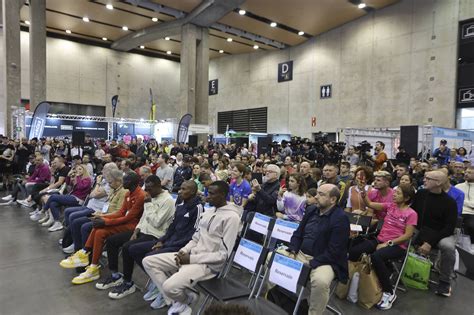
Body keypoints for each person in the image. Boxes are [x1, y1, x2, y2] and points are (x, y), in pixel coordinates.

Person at [142, 181, 241, 314]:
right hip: (191, 256)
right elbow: (195, 238)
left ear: (223, 195)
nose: (207, 197)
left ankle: (183, 299)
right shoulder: (209, 212)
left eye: (212, 194)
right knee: (148, 261)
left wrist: (190, 259)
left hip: (208, 265)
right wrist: (183, 252)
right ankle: (179, 301)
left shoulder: (232, 217)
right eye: (207, 193)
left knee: (169, 287)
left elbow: (223, 255)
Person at [96, 175, 176, 299]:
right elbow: (144, 218)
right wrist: (136, 231)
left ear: (158, 186)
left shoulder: (168, 200)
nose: (147, 192)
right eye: (146, 189)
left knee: (128, 247)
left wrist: (148, 204)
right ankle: (115, 275)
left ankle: (128, 283)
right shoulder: (151, 196)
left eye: (150, 189)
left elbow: (157, 222)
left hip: (155, 235)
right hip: (142, 231)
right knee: (112, 240)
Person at [59, 172, 145, 285]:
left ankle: (87, 256)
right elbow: (121, 212)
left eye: (125, 180)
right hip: (124, 222)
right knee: (98, 229)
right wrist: (102, 217)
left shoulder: (140, 196)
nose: (123, 182)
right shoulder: (128, 193)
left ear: (133, 183)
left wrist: (105, 221)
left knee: (100, 227)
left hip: (132, 226)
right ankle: (90, 261)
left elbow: (128, 218)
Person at [350, 184, 417, 310]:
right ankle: (355, 282)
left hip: (397, 246)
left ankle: (389, 292)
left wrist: (388, 243)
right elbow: (370, 204)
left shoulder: (411, 213)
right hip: (380, 239)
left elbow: (408, 235)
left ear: (406, 198)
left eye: (398, 193)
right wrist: (364, 197)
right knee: (355, 250)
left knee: (376, 257)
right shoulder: (390, 206)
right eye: (395, 192)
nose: (394, 195)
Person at [286, 184, 350, 315]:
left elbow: (335, 251)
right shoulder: (311, 210)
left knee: (320, 281)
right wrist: (292, 251)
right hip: (300, 253)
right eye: (317, 193)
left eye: (321, 194)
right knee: (272, 258)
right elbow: (298, 233)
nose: (316, 196)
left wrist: (311, 264)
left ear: (332, 200)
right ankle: (277, 300)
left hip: (325, 260)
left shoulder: (341, 219)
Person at [142, 181, 203, 308]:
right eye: (180, 188)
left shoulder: (198, 208)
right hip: (170, 241)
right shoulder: (180, 204)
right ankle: (159, 285)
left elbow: (192, 235)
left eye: (183, 189)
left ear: (192, 192)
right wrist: (162, 240)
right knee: (135, 250)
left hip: (181, 246)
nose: (179, 191)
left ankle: (167, 295)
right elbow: (172, 226)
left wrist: (166, 245)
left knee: (149, 257)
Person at [411, 170, 457, 296]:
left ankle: (444, 282)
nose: (424, 180)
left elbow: (448, 228)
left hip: (440, 233)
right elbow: (412, 213)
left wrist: (429, 242)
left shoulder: (450, 203)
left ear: (438, 183)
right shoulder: (420, 194)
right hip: (420, 229)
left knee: (448, 247)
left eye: (428, 178)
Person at [41, 164, 93, 232]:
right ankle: (57, 222)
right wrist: (68, 176)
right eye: (77, 169)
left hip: (78, 199)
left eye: (80, 169)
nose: (78, 171)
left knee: (53, 197)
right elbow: (68, 183)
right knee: (53, 203)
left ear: (84, 170)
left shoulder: (87, 179)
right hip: (72, 196)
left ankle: (43, 210)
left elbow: (80, 187)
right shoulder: (78, 178)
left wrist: (77, 178)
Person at [456, 166, 474, 250]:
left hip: (471, 214)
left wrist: (463, 201)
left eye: (470, 173)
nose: (466, 174)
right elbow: (454, 201)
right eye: (466, 172)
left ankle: (471, 247)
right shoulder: (458, 186)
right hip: (459, 212)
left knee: (471, 224)